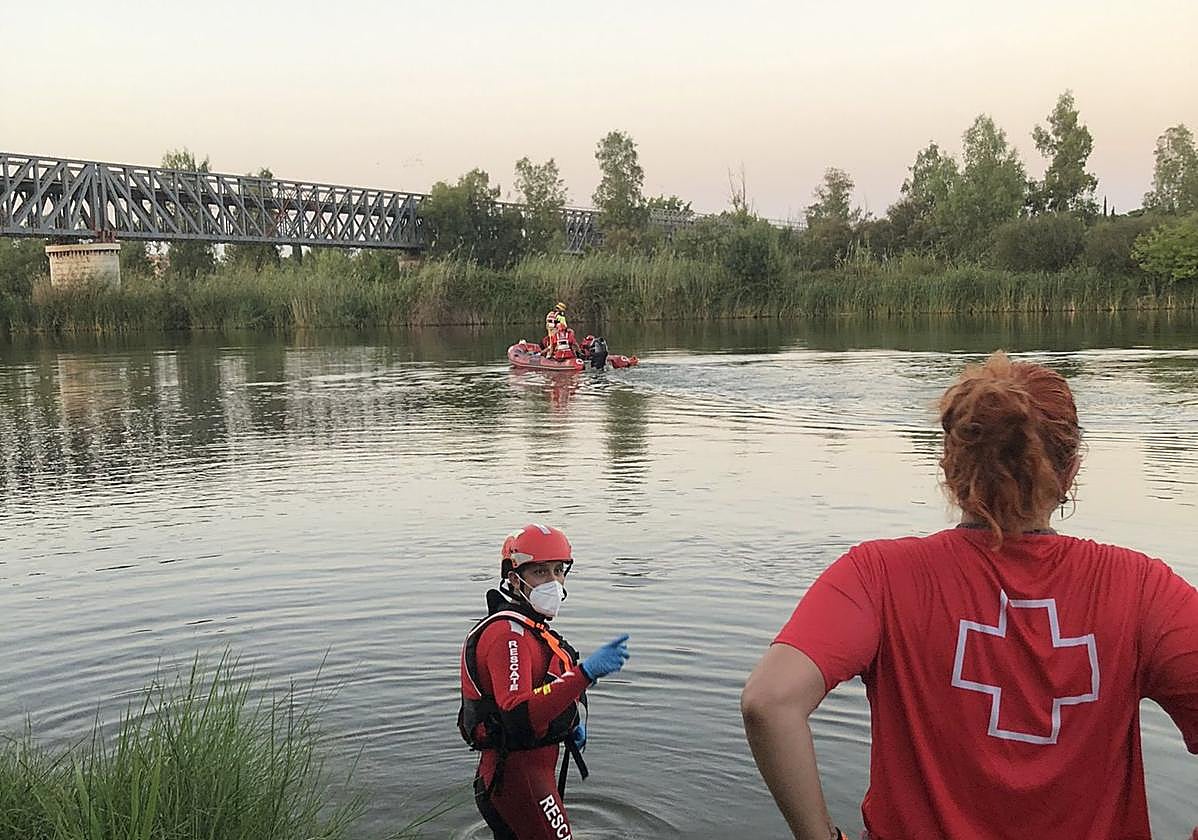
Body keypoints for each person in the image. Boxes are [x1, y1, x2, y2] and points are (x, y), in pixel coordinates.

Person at [741, 351, 1198, 840]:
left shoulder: (878, 575)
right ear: (1069, 474)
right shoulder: (1142, 589)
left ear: (950, 466)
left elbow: (770, 702)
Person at [460, 523, 632, 840]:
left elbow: (540, 691)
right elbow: (517, 713)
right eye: (540, 573)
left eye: (558, 571)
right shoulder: (508, 636)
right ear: (514, 579)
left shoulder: (529, 628)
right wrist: (584, 674)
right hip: (515, 780)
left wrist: (566, 724)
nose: (553, 582)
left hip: (529, 775)